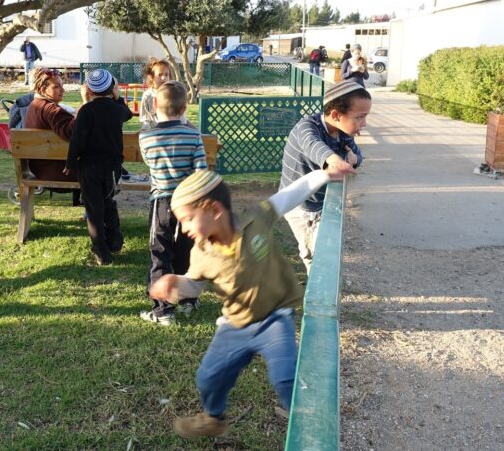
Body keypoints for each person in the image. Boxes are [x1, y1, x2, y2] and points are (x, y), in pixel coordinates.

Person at [149, 165, 354, 439]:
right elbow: (195, 286)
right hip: (234, 324)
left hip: (274, 319)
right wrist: (176, 284)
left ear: (213, 209)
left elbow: (290, 194)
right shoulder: (201, 253)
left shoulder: (256, 219)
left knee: (286, 377)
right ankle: (213, 418)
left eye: (187, 219)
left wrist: (325, 174)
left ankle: (310, 430)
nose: (183, 228)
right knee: (208, 378)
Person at [280, 80, 371, 269]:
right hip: (301, 206)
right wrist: (333, 159)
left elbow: (356, 155)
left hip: (323, 202)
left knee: (325, 248)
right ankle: (317, 296)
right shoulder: (306, 127)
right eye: (360, 117)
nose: (364, 123)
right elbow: (313, 145)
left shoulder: (343, 132)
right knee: (312, 254)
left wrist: (355, 159)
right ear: (336, 115)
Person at [138, 81, 207, 326]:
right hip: (189, 200)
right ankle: (188, 299)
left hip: (162, 201)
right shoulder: (193, 134)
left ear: (155, 104)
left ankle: (162, 309)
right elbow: (201, 169)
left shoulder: (146, 136)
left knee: (160, 252)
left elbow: (148, 161)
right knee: (187, 249)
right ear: (184, 107)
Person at [65, 68, 132, 264]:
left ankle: (101, 250)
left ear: (89, 90)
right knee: (109, 202)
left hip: (89, 167)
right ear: (112, 88)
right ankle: (115, 240)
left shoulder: (85, 111)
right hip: (112, 167)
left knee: (94, 209)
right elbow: (128, 113)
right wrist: (118, 97)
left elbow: (77, 140)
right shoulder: (118, 109)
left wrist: (70, 162)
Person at [24, 68, 77, 183]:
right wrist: (84, 111)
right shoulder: (51, 110)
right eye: (56, 87)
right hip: (58, 171)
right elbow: (72, 133)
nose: (63, 90)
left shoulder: (34, 105)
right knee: (104, 168)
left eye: (62, 86)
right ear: (43, 89)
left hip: (40, 168)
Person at [139, 58, 188, 131]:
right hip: (155, 133)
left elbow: (182, 117)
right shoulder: (148, 95)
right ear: (152, 77)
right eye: (160, 75)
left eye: (166, 75)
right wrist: (146, 132)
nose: (163, 78)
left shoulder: (173, 92)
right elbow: (145, 118)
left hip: (174, 131)